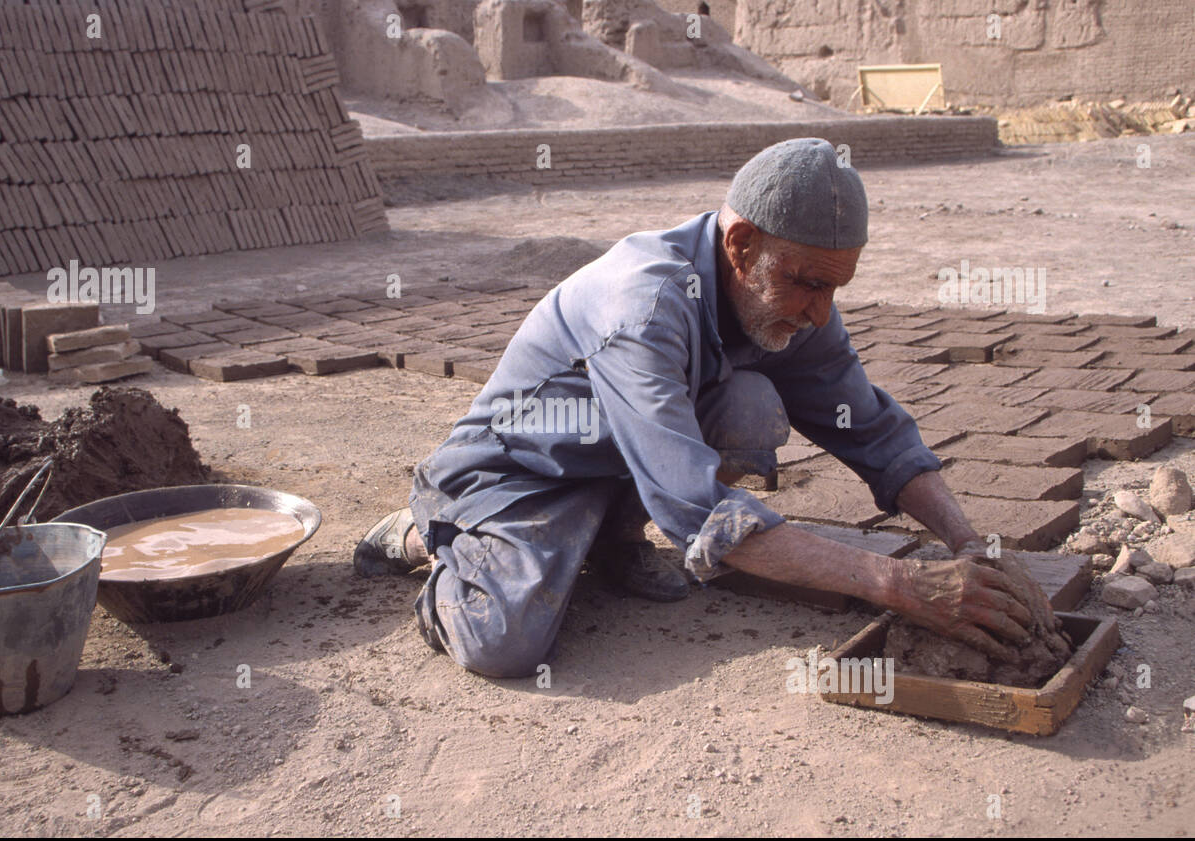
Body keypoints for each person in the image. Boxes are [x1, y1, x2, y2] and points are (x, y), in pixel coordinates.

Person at [354, 137, 1060, 678]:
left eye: (835, 288)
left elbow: (869, 426)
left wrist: (968, 542)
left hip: (620, 460)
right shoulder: (644, 302)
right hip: (517, 471)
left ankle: (609, 537)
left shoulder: (792, 298)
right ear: (741, 242)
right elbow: (696, 507)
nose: (821, 312)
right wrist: (901, 584)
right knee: (504, 643)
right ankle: (429, 533)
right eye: (809, 283)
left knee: (752, 405)